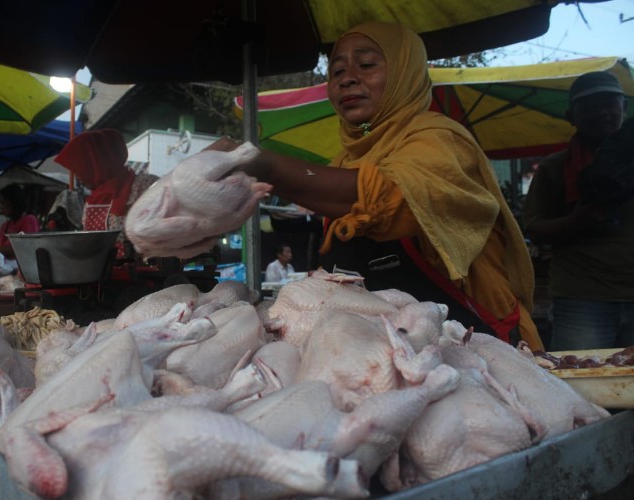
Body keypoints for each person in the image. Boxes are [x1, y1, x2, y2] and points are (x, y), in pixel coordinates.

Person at [210, 21, 541, 349]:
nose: (348, 78)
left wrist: (266, 165)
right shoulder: (343, 161)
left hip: (477, 344)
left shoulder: (441, 139)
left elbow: (390, 195)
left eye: (366, 65)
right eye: (336, 71)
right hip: (387, 347)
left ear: (403, 73)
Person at [522, 71, 632, 350]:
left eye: (610, 103)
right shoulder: (554, 168)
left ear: (625, 108)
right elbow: (533, 229)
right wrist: (576, 221)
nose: (603, 112)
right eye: (590, 107)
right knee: (579, 382)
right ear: (571, 116)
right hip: (582, 297)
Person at [54, 129, 158, 258]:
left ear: (98, 163)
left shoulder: (145, 186)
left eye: (81, 168)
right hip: (100, 271)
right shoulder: (94, 197)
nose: (77, 177)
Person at [0, 183, 39, 258]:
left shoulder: (29, 220)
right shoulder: (5, 225)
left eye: (3, 203)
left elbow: (24, 248)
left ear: (13, 202)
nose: (0, 207)